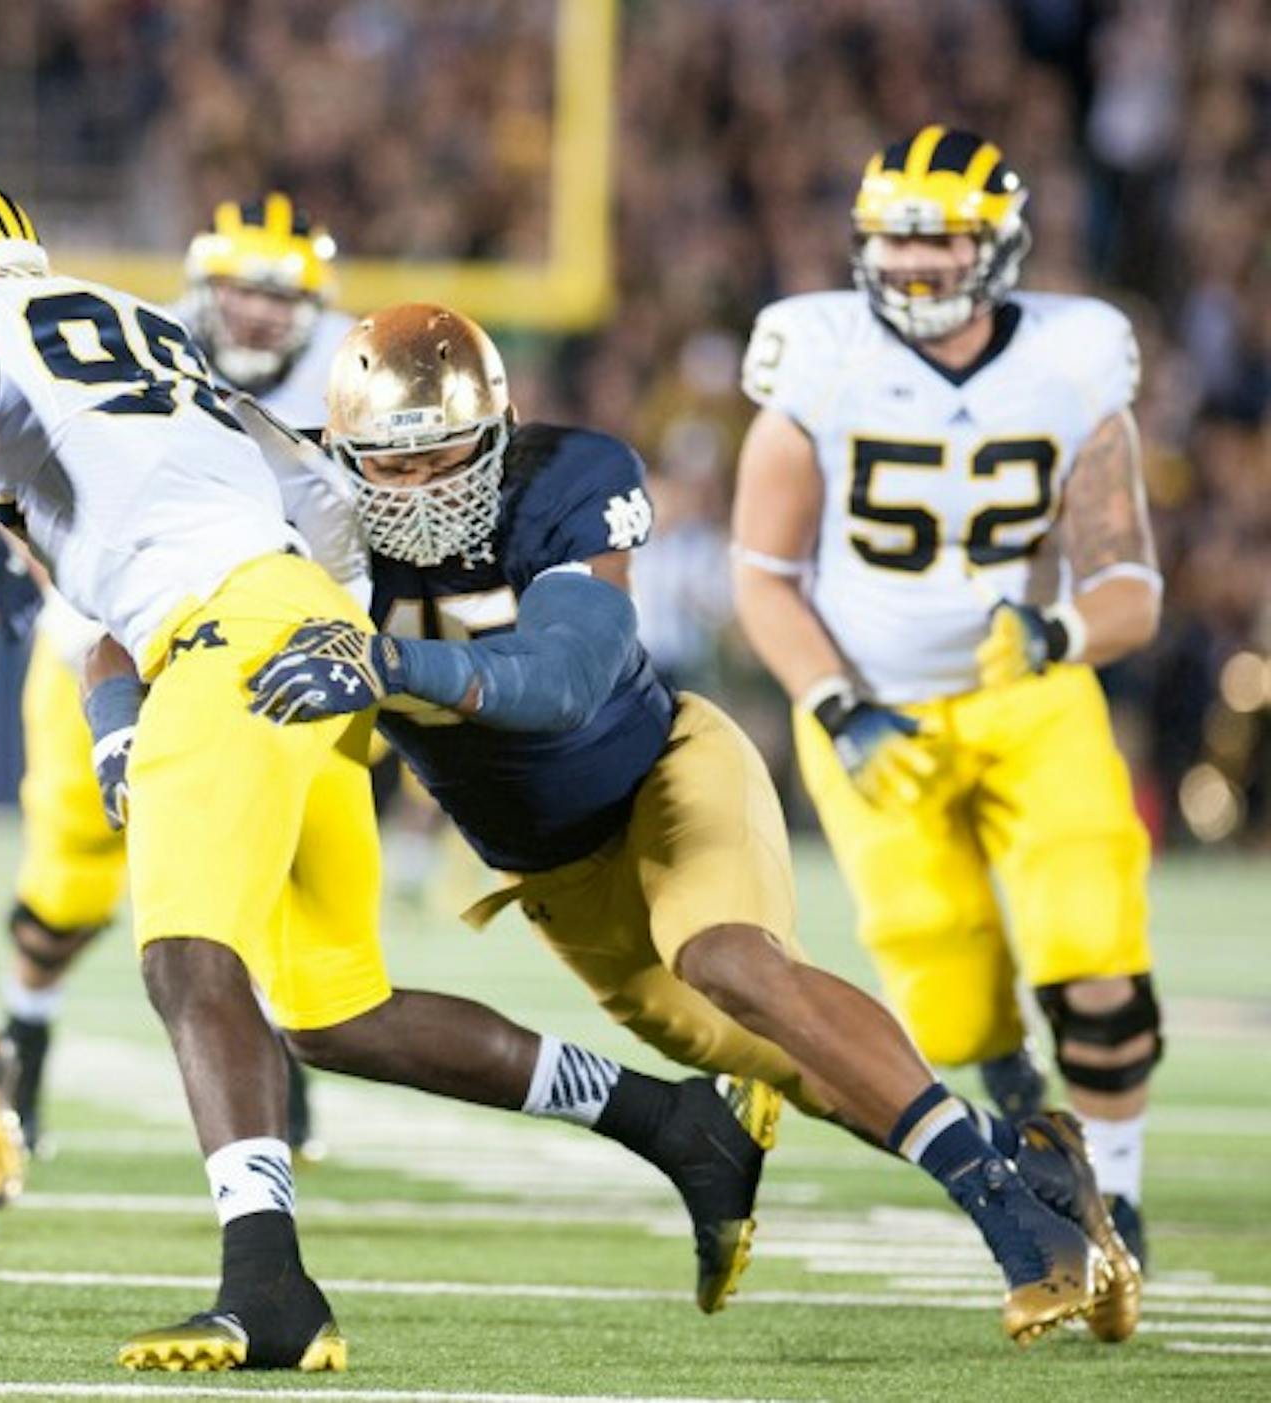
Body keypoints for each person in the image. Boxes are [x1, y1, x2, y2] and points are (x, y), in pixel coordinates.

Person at [0, 175, 777, 1372]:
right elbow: (251, 520)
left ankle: (266, 1283)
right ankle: (675, 1122)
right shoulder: (127, 333)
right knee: (334, 1010)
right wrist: (137, 714)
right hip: (281, 619)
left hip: (229, 633)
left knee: (186, 955)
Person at [237, 300, 1127, 1347]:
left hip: (664, 771)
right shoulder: (297, 520)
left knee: (731, 961)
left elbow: (566, 678)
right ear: (341, 454)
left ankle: (1008, 1216)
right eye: (387, 465)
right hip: (549, 869)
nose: (416, 488)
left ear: (500, 430)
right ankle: (1032, 1159)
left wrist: (387, 663)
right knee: (795, 1061)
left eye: (443, 456)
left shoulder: (568, 479)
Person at [730, 126, 1160, 1339]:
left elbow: (1129, 582)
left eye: (940, 240)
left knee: (1091, 938)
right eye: (894, 241)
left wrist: (1058, 635)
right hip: (867, 703)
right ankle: (1040, 1136)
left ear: (997, 244)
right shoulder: (815, 359)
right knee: (946, 984)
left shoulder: (1074, 364)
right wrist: (830, 701)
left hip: (1021, 690)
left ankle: (1118, 1190)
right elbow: (762, 574)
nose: (914, 266)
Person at [0, 192, 354, 1158]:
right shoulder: (137, 344)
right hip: (100, 622)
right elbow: (35, 496)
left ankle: (285, 1043)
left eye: (280, 296)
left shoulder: (345, 381)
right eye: (240, 289)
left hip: (254, 632)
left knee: (275, 850)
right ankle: (24, 1034)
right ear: (202, 289)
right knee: (71, 883)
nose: (258, 313)